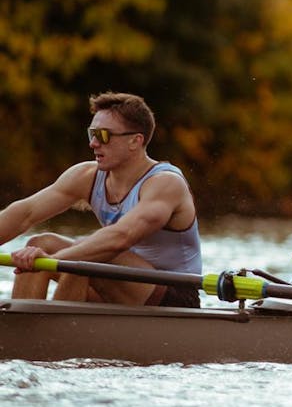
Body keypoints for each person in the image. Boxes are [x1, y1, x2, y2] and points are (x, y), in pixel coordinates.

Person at [0, 92, 202, 307]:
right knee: (40, 244)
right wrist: (44, 258)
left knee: (89, 251)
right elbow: (24, 214)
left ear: (135, 141)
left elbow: (120, 237)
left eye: (103, 135)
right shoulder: (86, 176)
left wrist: (54, 262)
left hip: (174, 295)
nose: (93, 144)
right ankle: (23, 329)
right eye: (92, 134)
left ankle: (55, 335)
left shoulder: (166, 184)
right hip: (118, 283)